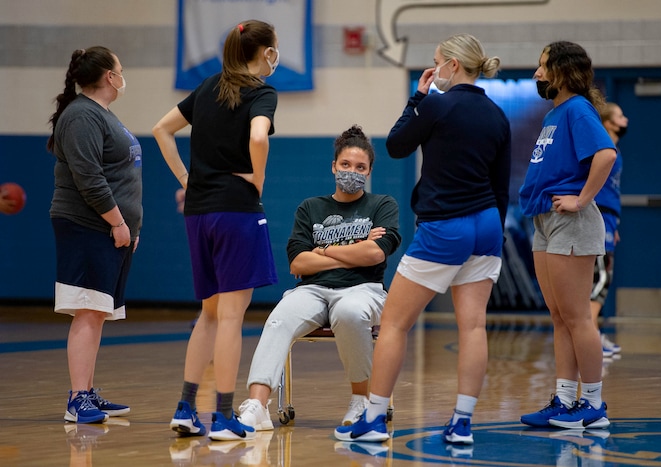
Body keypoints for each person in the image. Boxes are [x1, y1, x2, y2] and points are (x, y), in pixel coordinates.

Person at [335, 34, 511, 445]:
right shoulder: (497, 115)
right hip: (487, 225)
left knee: (395, 323)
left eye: (435, 62)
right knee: (473, 327)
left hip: (444, 226)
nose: (433, 70)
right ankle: (462, 423)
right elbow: (501, 188)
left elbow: (396, 146)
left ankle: (374, 420)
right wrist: (491, 232)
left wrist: (417, 96)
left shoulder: (435, 104)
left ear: (451, 65)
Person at [152, 19, 279, 441]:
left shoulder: (207, 87)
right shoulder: (261, 93)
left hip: (199, 213)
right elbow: (259, 138)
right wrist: (258, 178)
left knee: (209, 314)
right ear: (265, 53)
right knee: (230, 316)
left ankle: (186, 408)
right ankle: (223, 416)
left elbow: (161, 130)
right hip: (236, 212)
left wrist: (186, 180)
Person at [238, 125, 401, 431]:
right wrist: (354, 247)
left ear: (368, 172)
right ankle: (258, 405)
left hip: (364, 289)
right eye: (345, 165)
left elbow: (376, 255)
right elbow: (298, 262)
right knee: (278, 319)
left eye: (360, 167)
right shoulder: (311, 208)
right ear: (333, 166)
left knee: (350, 313)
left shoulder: (382, 205)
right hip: (312, 290)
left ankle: (360, 400)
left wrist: (322, 250)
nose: (351, 172)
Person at [518, 41, 617, 429]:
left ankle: (592, 403)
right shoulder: (555, 113)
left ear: (562, 71)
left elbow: (605, 154)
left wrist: (581, 199)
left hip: (570, 221)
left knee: (577, 317)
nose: (537, 74)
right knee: (560, 316)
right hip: (545, 218)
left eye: (543, 67)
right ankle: (563, 399)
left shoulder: (577, 109)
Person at [47, 46, 142, 424]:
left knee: (97, 311)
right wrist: (118, 222)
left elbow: (121, 177)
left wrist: (130, 226)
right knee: (88, 310)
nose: (123, 76)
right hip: (87, 226)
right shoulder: (81, 116)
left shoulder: (102, 115)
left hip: (111, 228)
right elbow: (90, 179)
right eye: (120, 69)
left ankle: (86, 391)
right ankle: (77, 399)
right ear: (108, 76)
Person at [591, 102, 628, 357]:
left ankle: (595, 335)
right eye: (620, 116)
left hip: (609, 219)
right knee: (600, 279)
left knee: (604, 276)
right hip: (599, 217)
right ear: (608, 123)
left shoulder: (616, 150)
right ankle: (591, 338)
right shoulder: (602, 149)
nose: (625, 120)